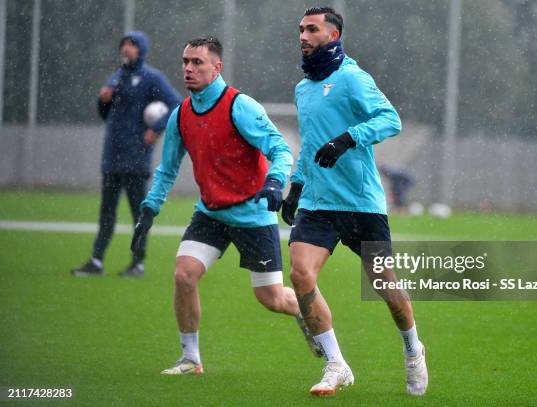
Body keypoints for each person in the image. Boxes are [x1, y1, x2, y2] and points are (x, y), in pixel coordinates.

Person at [130, 36, 322, 375]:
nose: (189, 68)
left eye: (197, 62)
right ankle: (191, 359)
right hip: (210, 213)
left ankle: (307, 316)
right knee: (184, 275)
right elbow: (167, 168)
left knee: (272, 299)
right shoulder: (181, 115)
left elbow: (279, 148)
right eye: (185, 62)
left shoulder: (239, 106)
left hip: (252, 214)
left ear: (216, 67)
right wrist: (149, 209)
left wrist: (276, 181)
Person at [281, 7, 428, 396]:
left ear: (332, 35)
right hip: (317, 203)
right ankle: (336, 363)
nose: (303, 35)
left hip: (362, 204)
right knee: (300, 276)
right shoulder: (303, 88)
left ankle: (413, 348)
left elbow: (389, 119)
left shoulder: (352, 78)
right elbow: (311, 145)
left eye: (311, 29)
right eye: (300, 29)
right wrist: (296, 188)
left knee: (384, 284)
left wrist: (347, 139)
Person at [71, 31, 182, 278]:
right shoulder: (117, 77)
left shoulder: (151, 78)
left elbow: (177, 103)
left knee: (139, 214)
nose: (126, 49)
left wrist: (157, 128)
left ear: (141, 49)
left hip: (136, 159)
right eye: (124, 45)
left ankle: (137, 264)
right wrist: (103, 100)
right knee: (106, 213)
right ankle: (96, 261)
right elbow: (104, 114)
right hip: (112, 157)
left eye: (132, 45)